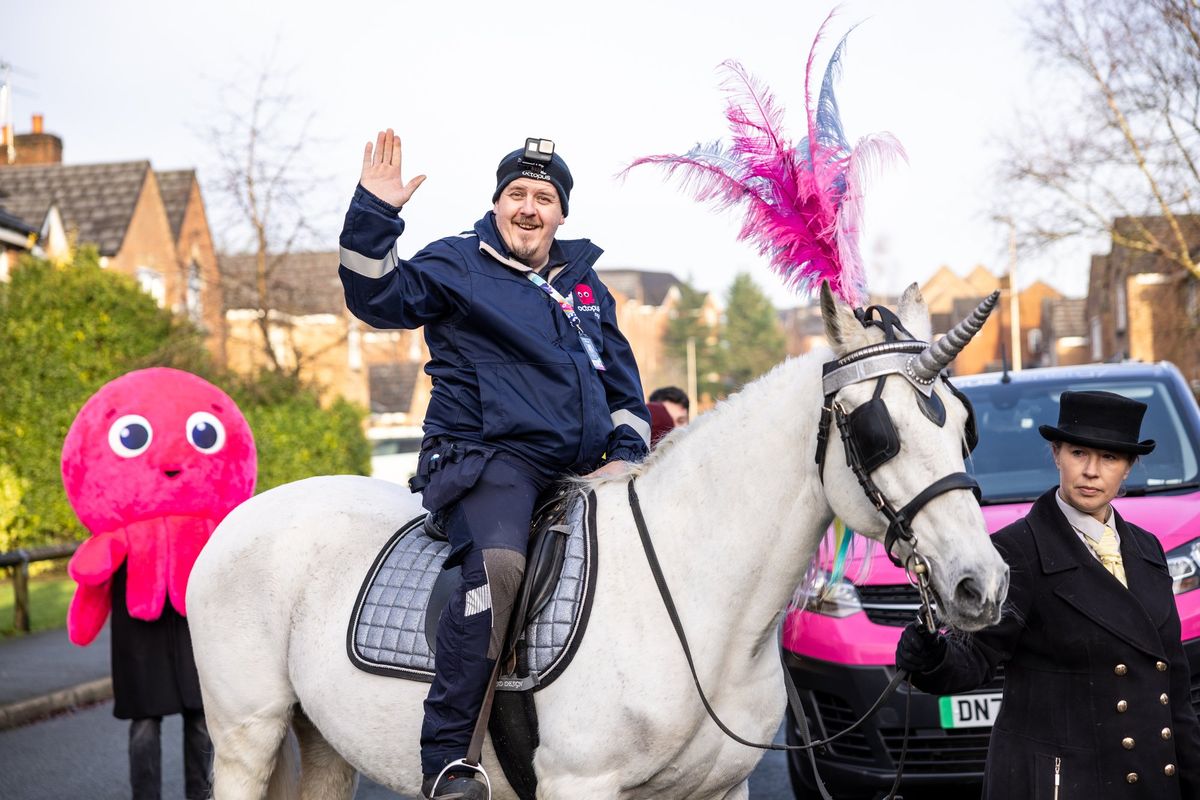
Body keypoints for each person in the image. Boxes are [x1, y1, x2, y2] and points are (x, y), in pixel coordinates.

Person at [338, 130, 651, 799]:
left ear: (562, 213)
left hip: (584, 470)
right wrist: (374, 212)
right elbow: (375, 297)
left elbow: (626, 393)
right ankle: (450, 759)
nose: (529, 207)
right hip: (488, 462)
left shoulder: (587, 286)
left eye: (544, 196)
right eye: (517, 194)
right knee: (500, 569)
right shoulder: (456, 264)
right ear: (498, 203)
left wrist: (626, 457)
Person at [895, 390, 1200, 798]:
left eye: (1109, 458)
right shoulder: (1017, 550)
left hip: (1150, 782)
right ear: (1056, 455)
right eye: (1078, 453)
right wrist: (929, 657)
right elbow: (974, 659)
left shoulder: (1148, 550)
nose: (1091, 471)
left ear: (1128, 468)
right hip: (1061, 785)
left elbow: (1174, 691)